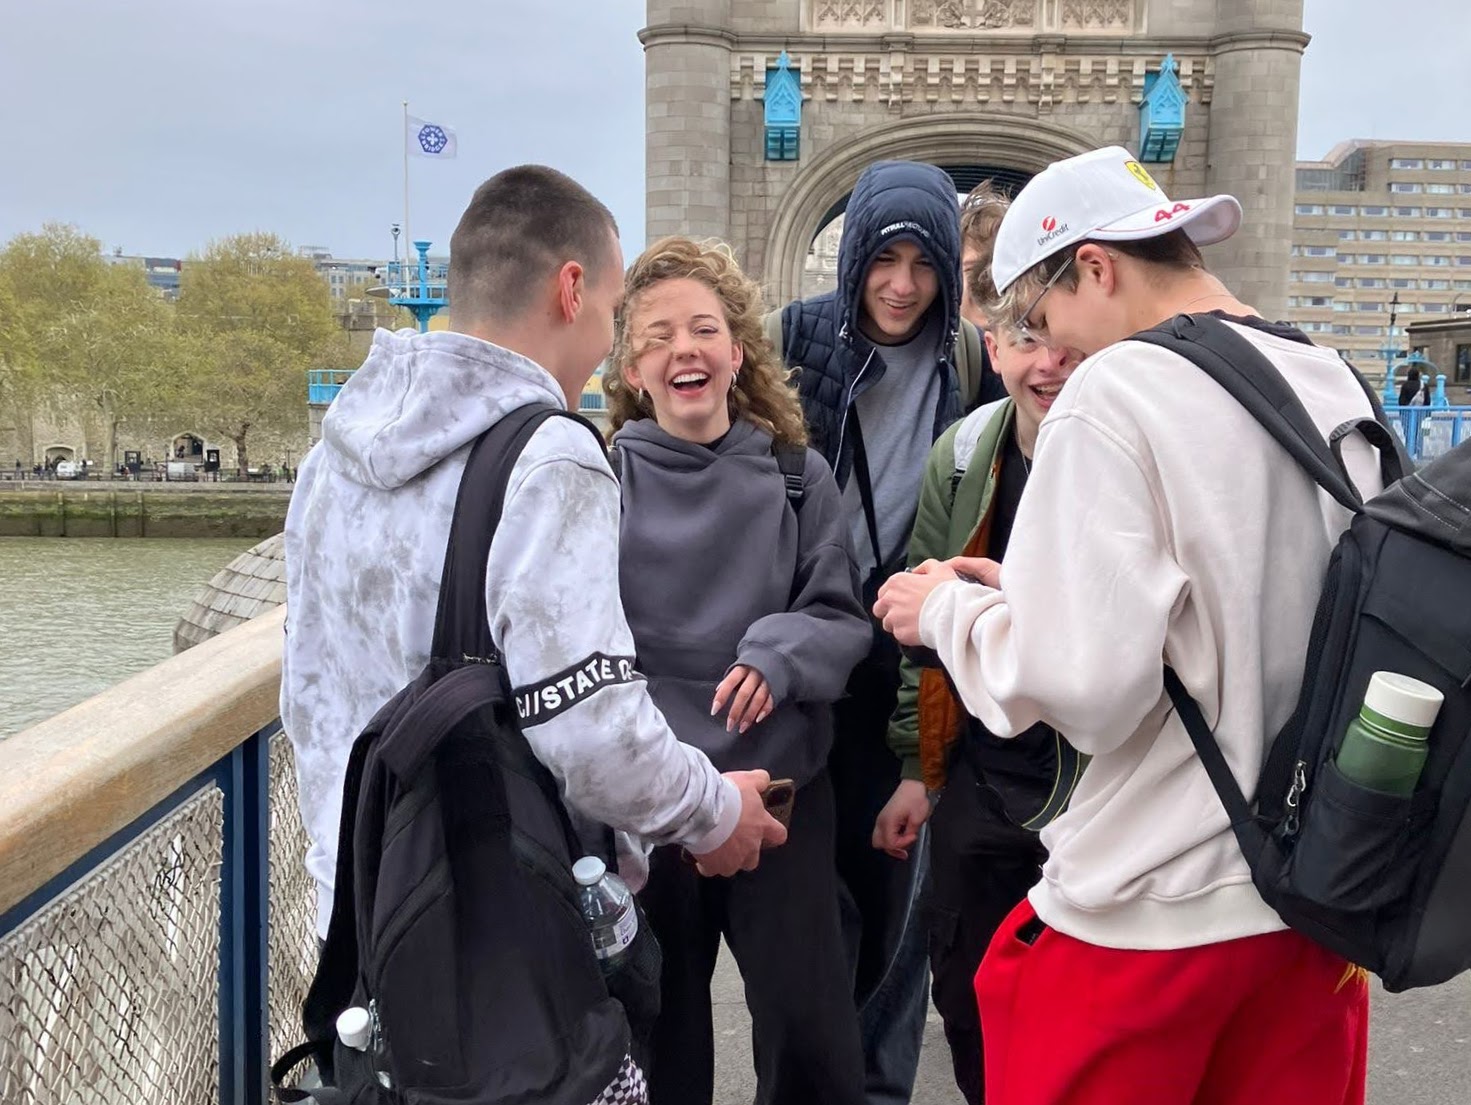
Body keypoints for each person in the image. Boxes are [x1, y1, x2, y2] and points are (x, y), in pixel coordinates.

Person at [875, 145, 1378, 1105]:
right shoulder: (1327, 377)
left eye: (1042, 312)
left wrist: (946, 610)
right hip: (1309, 902)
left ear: (1094, 267)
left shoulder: (1116, 394)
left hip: (1153, 910)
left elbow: (1085, 691)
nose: (1052, 348)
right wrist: (1036, 595)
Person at [280, 166, 787, 1103]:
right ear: (569, 288)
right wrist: (714, 813)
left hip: (362, 910)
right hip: (505, 935)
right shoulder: (551, 454)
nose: (608, 341)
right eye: (615, 308)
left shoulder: (330, 455)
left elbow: (305, 694)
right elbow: (594, 738)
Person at [602, 236, 871, 1105]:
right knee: (659, 1033)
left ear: (737, 353)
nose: (683, 348)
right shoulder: (599, 482)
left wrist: (775, 653)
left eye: (703, 329)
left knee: (809, 1035)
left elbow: (841, 618)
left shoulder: (798, 477)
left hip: (780, 797)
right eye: (657, 336)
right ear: (633, 371)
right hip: (656, 802)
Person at [768, 159, 1005, 1103]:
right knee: (802, 901)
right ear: (853, 255)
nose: (902, 285)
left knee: (901, 894)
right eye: (883, 259)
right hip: (814, 644)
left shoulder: (972, 360)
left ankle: (877, 1087)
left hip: (919, 642)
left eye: (923, 264)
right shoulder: (791, 340)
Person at [872, 182, 1083, 1105]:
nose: (1048, 362)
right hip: (980, 781)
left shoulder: (1127, 454)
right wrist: (913, 770)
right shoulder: (961, 454)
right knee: (966, 996)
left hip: (1095, 791)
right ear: (990, 346)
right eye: (1024, 337)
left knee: (1082, 1015)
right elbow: (917, 631)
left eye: (1064, 338)